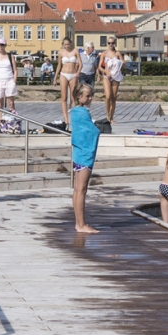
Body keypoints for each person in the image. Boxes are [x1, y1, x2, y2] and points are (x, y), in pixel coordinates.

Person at [70, 82, 100, 234]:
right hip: (84, 155)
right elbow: (90, 132)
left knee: (77, 189)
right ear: (78, 96)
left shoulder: (75, 111)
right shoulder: (81, 113)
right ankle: (80, 224)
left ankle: (79, 222)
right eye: (87, 96)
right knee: (81, 190)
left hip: (79, 154)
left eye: (91, 96)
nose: (90, 99)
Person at [0, 39, 18, 116]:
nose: (0, 46)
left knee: (11, 104)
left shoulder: (10, 56)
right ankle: (0, 125)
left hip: (9, 80)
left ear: (5, 45)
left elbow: (15, 70)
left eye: (2, 45)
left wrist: (14, 81)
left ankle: (13, 124)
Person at [101, 44, 124, 127]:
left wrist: (121, 63)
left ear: (115, 44)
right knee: (107, 96)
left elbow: (123, 64)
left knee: (113, 97)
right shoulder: (104, 53)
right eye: (109, 43)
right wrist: (105, 71)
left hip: (115, 77)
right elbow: (100, 67)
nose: (111, 44)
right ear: (107, 44)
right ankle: (107, 115)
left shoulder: (117, 53)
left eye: (112, 43)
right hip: (107, 76)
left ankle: (111, 117)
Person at [58, 37, 80, 111]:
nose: (67, 46)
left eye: (68, 44)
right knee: (64, 97)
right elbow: (59, 65)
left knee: (73, 96)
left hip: (73, 74)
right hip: (64, 74)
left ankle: (72, 112)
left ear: (70, 44)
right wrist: (55, 77)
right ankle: (65, 117)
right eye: (65, 44)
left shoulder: (75, 51)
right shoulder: (61, 52)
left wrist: (78, 73)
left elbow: (81, 64)